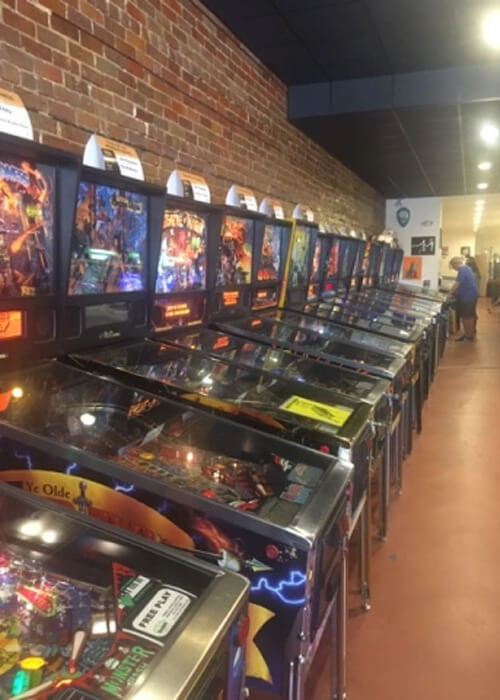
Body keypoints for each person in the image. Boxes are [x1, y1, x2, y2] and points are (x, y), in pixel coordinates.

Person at [449, 256, 479, 341]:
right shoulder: (467, 268)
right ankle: (470, 333)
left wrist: (449, 294)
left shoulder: (462, 270)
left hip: (468, 296)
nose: (453, 269)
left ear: (456, 264)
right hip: (472, 294)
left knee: (466, 316)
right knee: (471, 315)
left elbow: (457, 284)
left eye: (453, 266)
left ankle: (468, 336)